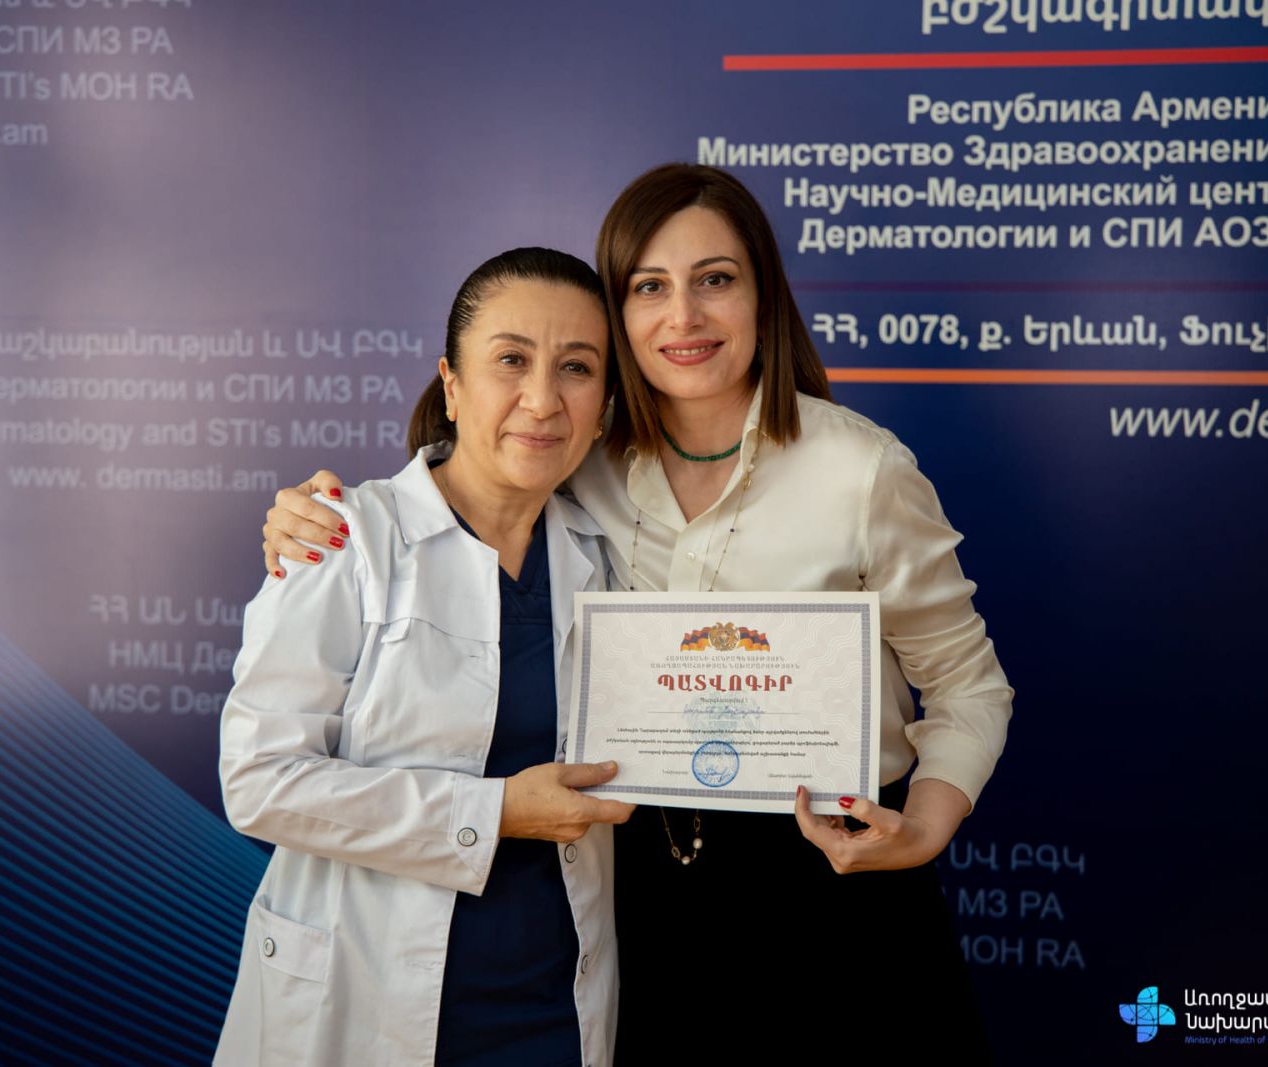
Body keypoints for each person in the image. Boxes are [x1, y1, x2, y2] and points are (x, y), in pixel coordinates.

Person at [260, 165, 1012, 1060]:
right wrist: (313, 517)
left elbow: (968, 686)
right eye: (649, 287)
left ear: (764, 296)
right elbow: (470, 478)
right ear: (617, 317)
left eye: (715, 280)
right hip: (649, 898)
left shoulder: (863, 470)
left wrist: (924, 826)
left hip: (836, 889)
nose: (683, 316)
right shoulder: (583, 462)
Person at [217, 247, 635, 1067]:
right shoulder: (346, 538)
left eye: (577, 368)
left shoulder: (607, 557)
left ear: (604, 408)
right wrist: (495, 811)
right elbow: (258, 779)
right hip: (362, 1005)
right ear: (451, 384)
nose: (542, 398)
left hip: (554, 1007)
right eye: (511, 360)